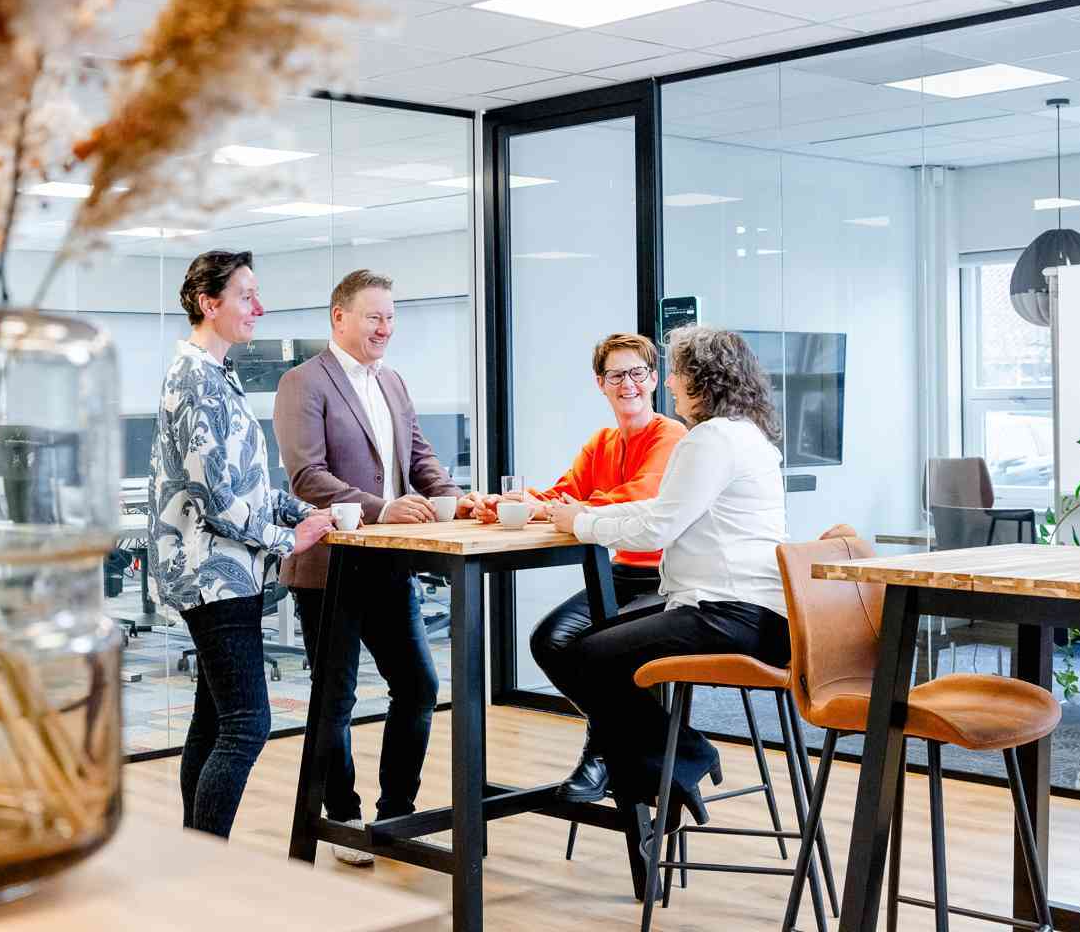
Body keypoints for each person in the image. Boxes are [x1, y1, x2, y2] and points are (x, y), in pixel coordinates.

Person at [274, 268, 488, 865]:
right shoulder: (303, 383)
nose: (385, 327)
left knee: (418, 684)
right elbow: (306, 475)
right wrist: (382, 507)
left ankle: (397, 813)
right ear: (339, 318)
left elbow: (420, 458)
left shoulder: (392, 381)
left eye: (391, 317)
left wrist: (457, 495)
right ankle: (340, 816)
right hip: (332, 566)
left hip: (391, 564)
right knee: (335, 696)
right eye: (374, 316)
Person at [545, 325, 790, 829]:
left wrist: (583, 523)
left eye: (675, 373)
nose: (670, 384)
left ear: (702, 379)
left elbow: (659, 523)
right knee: (586, 644)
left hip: (729, 613)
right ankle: (671, 764)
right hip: (747, 610)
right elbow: (664, 510)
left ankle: (677, 762)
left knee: (590, 654)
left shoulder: (712, 438)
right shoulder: (742, 434)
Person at [148, 249, 334, 838]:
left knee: (214, 719)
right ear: (210, 304)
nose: (261, 306)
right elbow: (217, 498)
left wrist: (311, 512)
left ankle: (195, 858)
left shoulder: (215, 374)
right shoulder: (195, 379)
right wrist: (290, 538)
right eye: (246, 296)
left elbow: (250, 485)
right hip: (214, 574)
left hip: (228, 571)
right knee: (248, 725)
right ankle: (209, 866)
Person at [471, 333, 685, 803]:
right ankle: (673, 744)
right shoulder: (601, 443)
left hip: (668, 582)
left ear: (653, 380)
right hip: (618, 576)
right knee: (549, 640)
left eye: (636, 373)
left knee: (598, 652)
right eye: (616, 375)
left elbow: (639, 497)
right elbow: (559, 495)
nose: (627, 383)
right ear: (600, 384)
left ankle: (603, 753)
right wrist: (507, 502)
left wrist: (569, 509)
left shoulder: (671, 436)